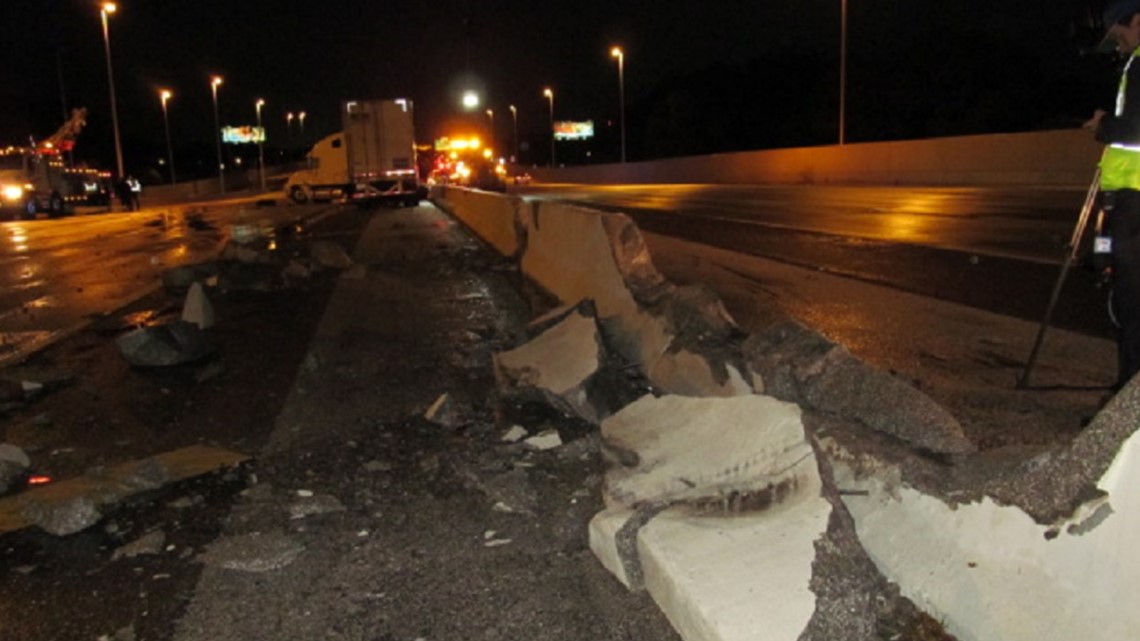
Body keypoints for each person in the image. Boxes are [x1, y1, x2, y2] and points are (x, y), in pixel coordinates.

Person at [1087, 0, 1140, 391]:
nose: (1119, 45)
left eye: (1120, 35)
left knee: (1132, 305)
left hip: (1136, 200)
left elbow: (1136, 129)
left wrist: (1104, 124)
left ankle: (1126, 414)